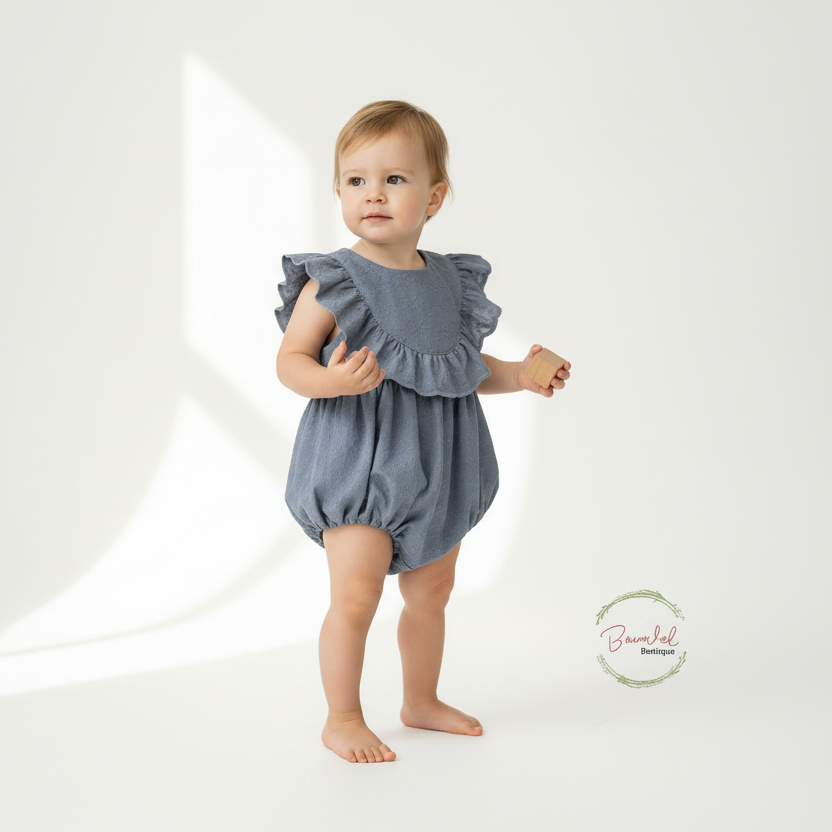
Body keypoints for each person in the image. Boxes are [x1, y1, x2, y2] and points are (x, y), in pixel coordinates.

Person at [275, 100, 571, 764]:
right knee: (356, 596)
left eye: (395, 179)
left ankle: (421, 700)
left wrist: (519, 375)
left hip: (438, 466)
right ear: (338, 191)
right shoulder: (334, 280)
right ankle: (342, 717)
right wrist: (332, 381)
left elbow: (460, 369)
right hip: (360, 465)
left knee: (431, 592)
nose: (373, 194)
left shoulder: (447, 282)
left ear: (434, 197)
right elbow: (290, 362)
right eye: (356, 180)